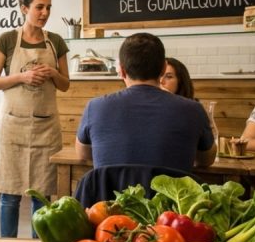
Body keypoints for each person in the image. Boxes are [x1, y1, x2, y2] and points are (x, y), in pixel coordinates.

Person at [0, 0, 70, 238]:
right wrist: (22, 77)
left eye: (48, 8)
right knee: (10, 195)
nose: (44, 13)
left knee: (41, 195)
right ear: (24, 8)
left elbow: (65, 85)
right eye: (39, 7)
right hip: (13, 126)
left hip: (45, 128)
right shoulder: (8, 39)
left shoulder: (55, 41)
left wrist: (53, 73)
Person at [76, 33, 215, 173]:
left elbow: (83, 153)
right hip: (170, 195)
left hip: (111, 195)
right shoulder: (194, 110)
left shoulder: (95, 107)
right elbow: (206, 159)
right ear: (163, 68)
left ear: (122, 71)